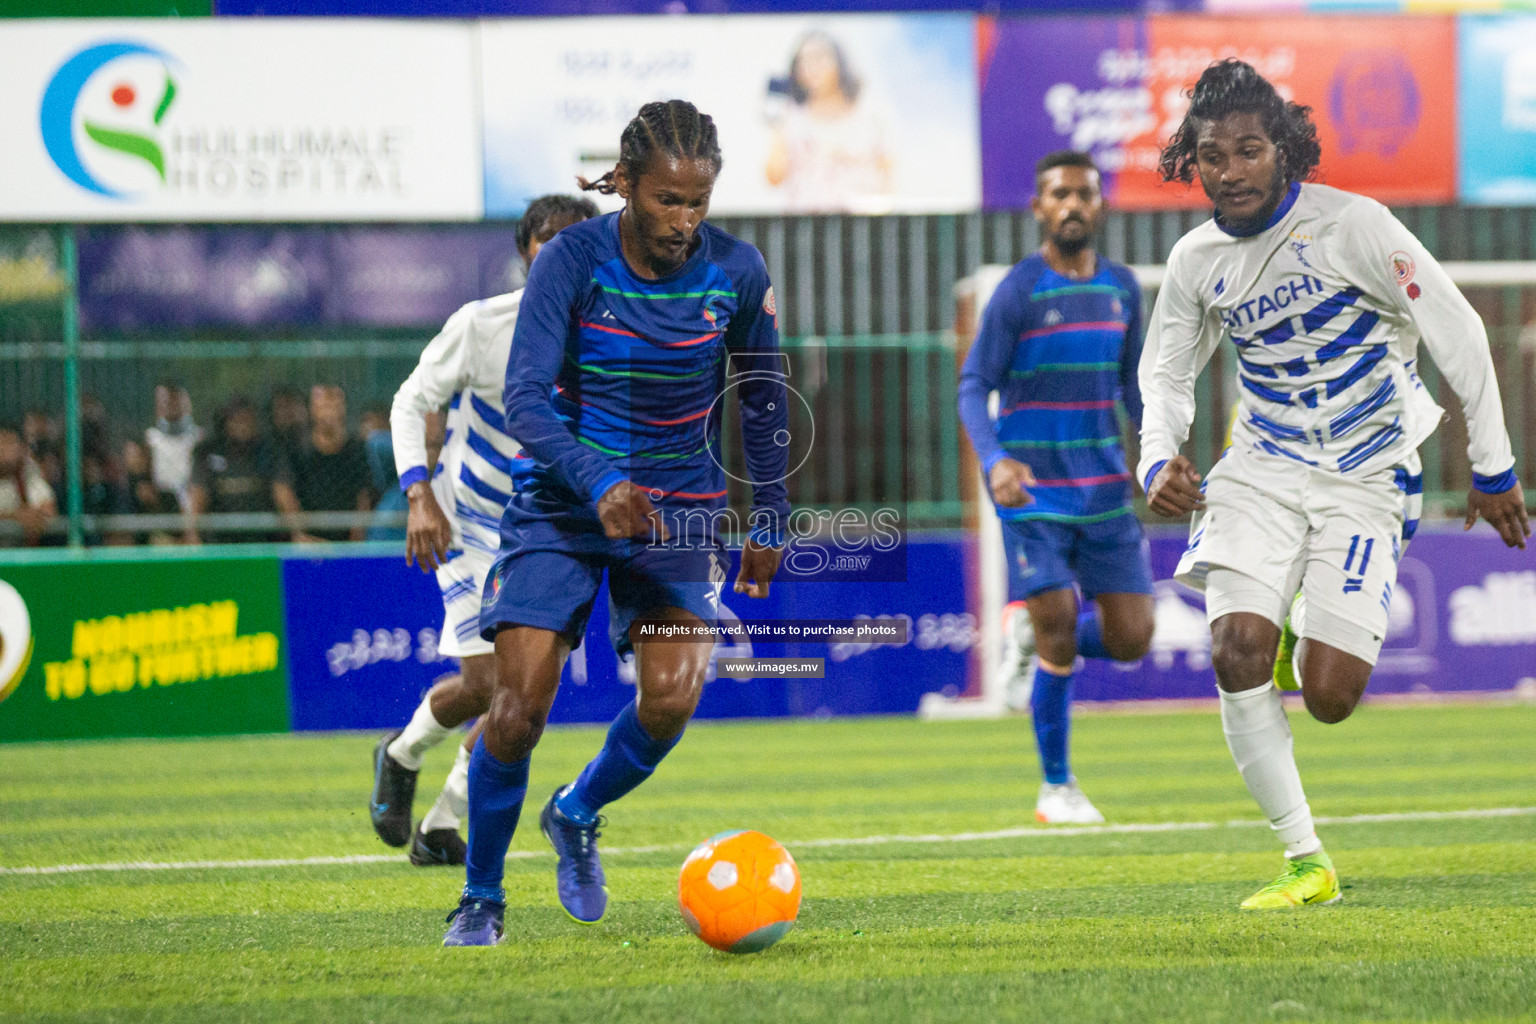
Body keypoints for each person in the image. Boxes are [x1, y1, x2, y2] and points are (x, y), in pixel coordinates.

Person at [1140, 60, 1529, 910]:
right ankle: (1304, 860)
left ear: (1283, 151)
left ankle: (1303, 626)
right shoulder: (1196, 261)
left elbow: (1457, 331)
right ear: (1192, 162)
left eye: (1249, 150)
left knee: (1330, 698)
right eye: (1213, 155)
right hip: (1263, 468)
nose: (1232, 171)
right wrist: (1158, 456)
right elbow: (1166, 373)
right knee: (1234, 650)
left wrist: (1493, 466)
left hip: (1367, 475)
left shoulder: (1355, 225)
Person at [441, 100, 789, 946]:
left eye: (699, 201)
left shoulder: (736, 273)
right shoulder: (571, 260)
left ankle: (576, 810)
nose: (685, 220)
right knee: (519, 708)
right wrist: (598, 482)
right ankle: (480, 898)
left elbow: (765, 398)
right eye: (669, 201)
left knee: (671, 699)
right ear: (626, 186)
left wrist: (771, 516)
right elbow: (524, 396)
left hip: (679, 518)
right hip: (561, 508)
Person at [371, 193, 599, 868]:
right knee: (487, 682)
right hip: (469, 521)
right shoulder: (483, 325)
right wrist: (418, 495)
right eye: (546, 240)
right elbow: (413, 400)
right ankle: (402, 752)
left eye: (575, 240)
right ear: (526, 255)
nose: (559, 252)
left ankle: (440, 822)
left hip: (548, 534)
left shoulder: (614, 337)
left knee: (522, 692)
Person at [957, 150, 1155, 825]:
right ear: (1039, 208)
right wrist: (994, 460)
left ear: (1100, 207)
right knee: (1061, 626)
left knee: (1133, 638)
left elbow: (1133, 388)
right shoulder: (1019, 289)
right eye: (1058, 195)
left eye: (1084, 194)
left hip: (1104, 491)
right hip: (1032, 491)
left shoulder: (1124, 288)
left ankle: (1029, 639)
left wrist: (1157, 458)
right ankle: (1056, 788)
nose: (1072, 205)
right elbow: (972, 384)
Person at [765, 30, 893, 213]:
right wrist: (776, 129)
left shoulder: (870, 111)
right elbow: (774, 178)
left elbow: (888, 171)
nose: (811, 68)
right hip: (805, 226)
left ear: (839, 62)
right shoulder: (792, 115)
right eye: (804, 61)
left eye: (819, 58)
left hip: (859, 224)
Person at [274, 385, 374, 543]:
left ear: (343, 409)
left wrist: (355, 540)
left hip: (345, 542)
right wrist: (299, 533)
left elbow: (364, 496)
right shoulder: (297, 447)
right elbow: (282, 488)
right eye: (323, 406)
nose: (329, 412)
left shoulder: (356, 449)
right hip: (307, 542)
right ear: (312, 409)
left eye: (334, 406)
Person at [185, 396, 283, 544]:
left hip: (263, 538)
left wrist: (297, 533)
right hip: (219, 539)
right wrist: (193, 535)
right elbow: (199, 495)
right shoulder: (208, 451)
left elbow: (282, 491)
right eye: (238, 420)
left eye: (248, 420)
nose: (243, 426)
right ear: (227, 423)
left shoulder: (268, 452)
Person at [144, 382, 203, 510]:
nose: (169, 404)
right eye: (164, 400)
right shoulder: (150, 439)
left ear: (186, 402)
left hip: (192, 504)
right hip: (161, 506)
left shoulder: (199, 437)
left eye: (174, 399)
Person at [0, 422, 57, 547]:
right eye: (1, 443)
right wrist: (14, 517)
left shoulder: (26, 474)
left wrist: (34, 516)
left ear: (20, 448)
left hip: (18, 556)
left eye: (9, 443)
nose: (3, 450)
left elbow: (48, 509)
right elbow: (18, 516)